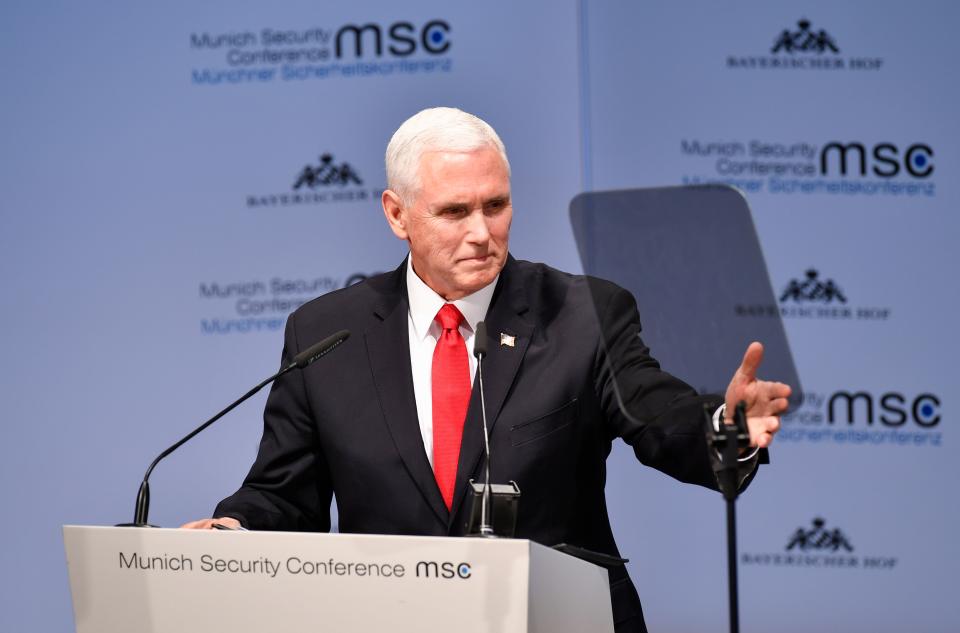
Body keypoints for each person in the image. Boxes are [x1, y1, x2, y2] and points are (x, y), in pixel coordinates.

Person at [183, 107, 790, 633]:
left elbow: (658, 415)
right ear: (398, 215)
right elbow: (284, 493)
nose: (482, 233)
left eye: (495, 205)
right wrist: (233, 530)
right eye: (454, 211)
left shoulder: (581, 314)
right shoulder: (326, 333)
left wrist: (722, 425)